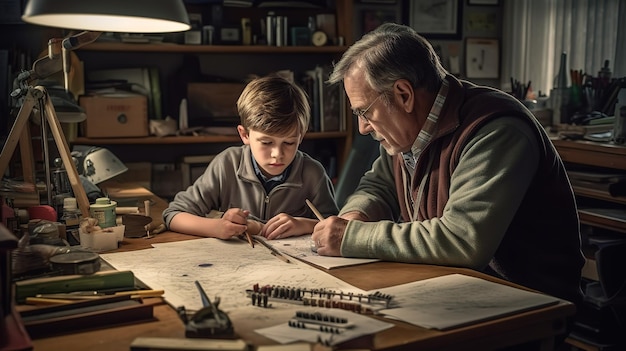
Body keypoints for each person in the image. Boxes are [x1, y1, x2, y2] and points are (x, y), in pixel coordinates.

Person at [311, 23, 585, 309]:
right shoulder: (406, 132)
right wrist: (356, 215)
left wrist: (351, 237)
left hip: (527, 304)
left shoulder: (495, 130)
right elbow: (378, 185)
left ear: (404, 94)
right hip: (454, 290)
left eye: (365, 112)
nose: (363, 128)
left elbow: (460, 240)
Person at [163, 75, 338, 240]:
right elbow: (174, 215)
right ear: (244, 134)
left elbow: (336, 228)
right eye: (266, 142)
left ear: (301, 136)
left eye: (289, 143)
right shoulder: (227, 164)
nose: (277, 153)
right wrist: (217, 227)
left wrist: (304, 225)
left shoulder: (312, 174)